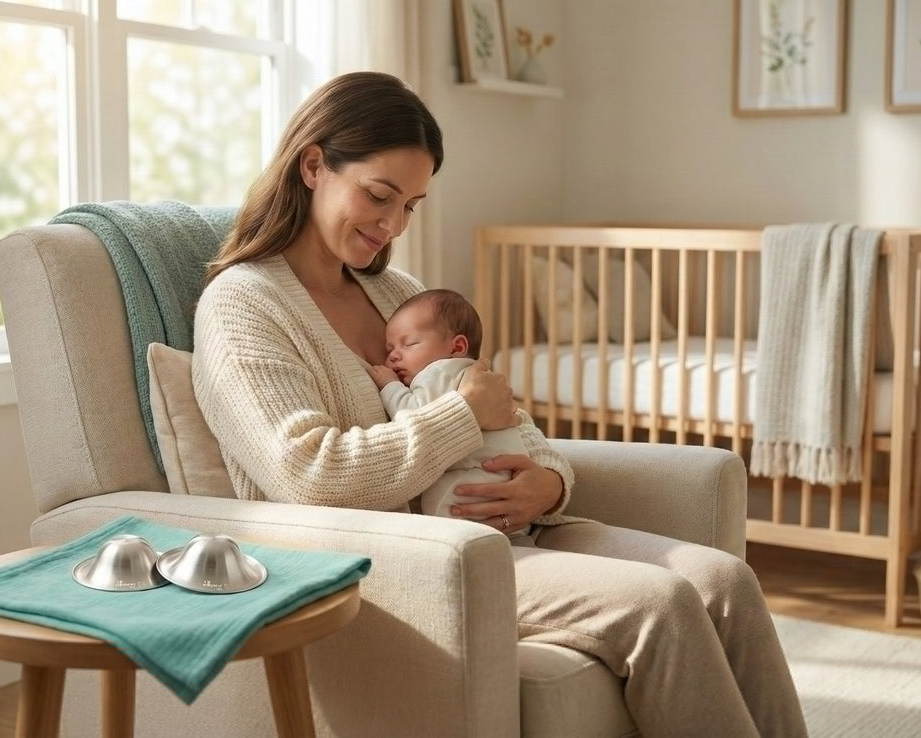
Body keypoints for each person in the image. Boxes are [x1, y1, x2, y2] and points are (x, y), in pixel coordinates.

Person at [193, 71, 807, 737]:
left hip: (498, 532)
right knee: (659, 604)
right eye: (379, 195)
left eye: (411, 206)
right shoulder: (243, 304)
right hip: (398, 554)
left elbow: (503, 417)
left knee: (725, 583)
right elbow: (311, 475)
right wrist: (460, 416)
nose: (392, 224)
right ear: (314, 165)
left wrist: (548, 483)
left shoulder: (395, 291)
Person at [365, 288, 536, 545]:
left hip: (470, 487)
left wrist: (390, 385)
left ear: (457, 347)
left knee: (442, 510)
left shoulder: (438, 372)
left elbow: (413, 415)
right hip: (504, 485)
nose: (393, 356)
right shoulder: (471, 374)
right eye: (389, 348)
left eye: (410, 343)